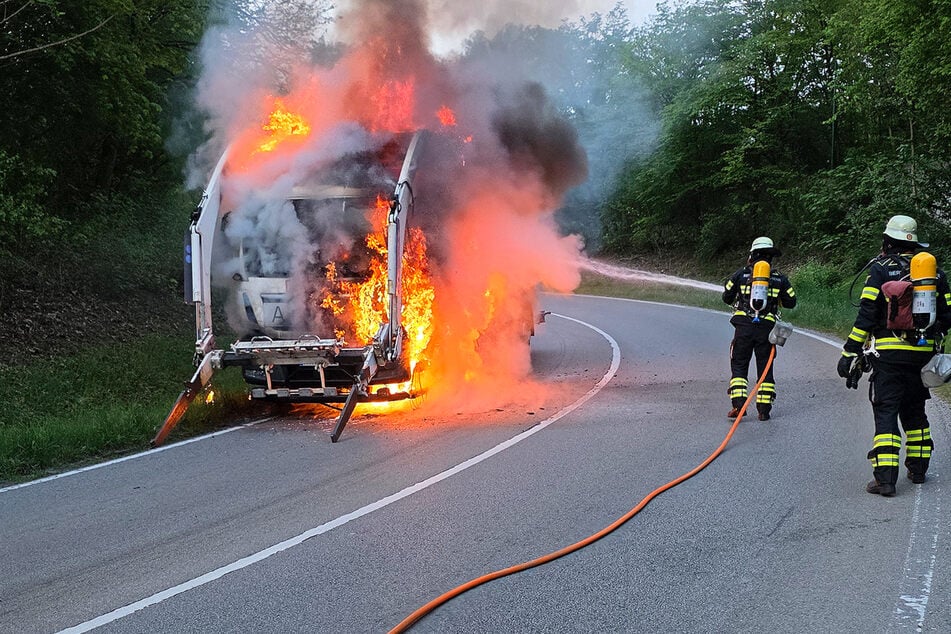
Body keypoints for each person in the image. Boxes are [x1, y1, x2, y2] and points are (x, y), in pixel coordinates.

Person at [837, 214, 951, 497]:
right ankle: (918, 470)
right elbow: (948, 315)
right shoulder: (935, 274)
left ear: (887, 241)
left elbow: (866, 314)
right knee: (915, 410)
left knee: (886, 411)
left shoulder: (879, 269)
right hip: (922, 356)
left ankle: (885, 479)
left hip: (888, 356)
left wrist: (850, 351)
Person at [722, 237, 797, 421]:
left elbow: (726, 297)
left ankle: (738, 405)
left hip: (743, 327)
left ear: (752, 255)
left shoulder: (740, 274)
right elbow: (791, 301)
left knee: (739, 365)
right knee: (765, 367)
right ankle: (764, 410)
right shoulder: (779, 278)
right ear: (771, 257)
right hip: (766, 329)